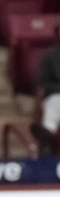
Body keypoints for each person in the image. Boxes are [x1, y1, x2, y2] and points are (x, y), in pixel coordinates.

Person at [32, 23, 60, 155]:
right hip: (56, 95)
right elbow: (44, 83)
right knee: (55, 103)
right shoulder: (50, 56)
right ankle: (47, 137)